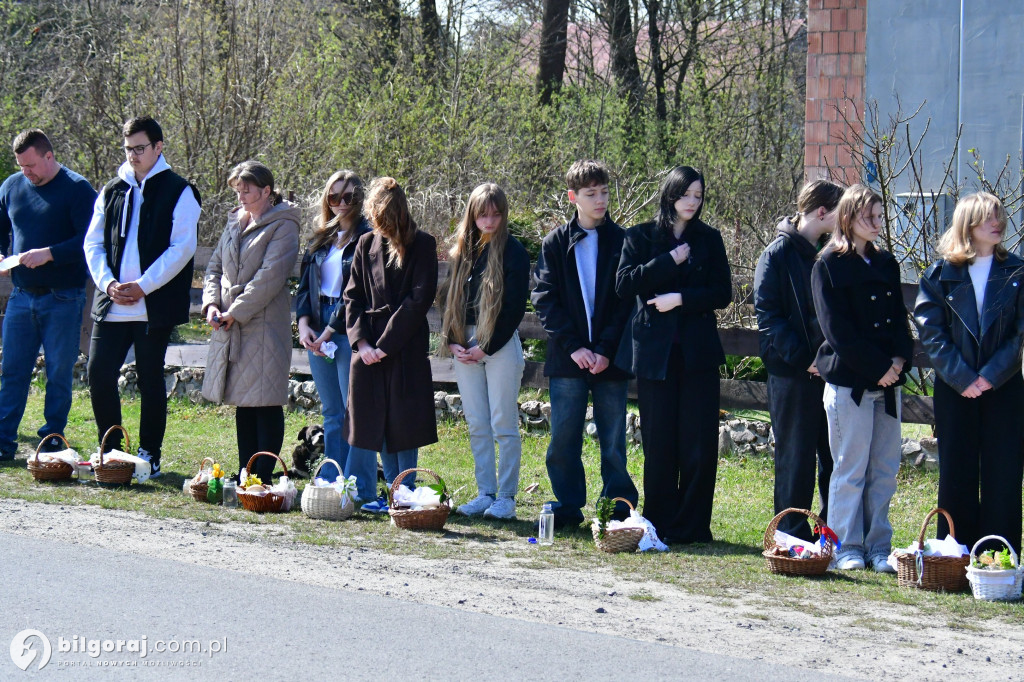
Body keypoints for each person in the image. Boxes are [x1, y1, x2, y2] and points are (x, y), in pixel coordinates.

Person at [616, 166, 732, 544]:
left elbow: (722, 292)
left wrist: (680, 299)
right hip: (656, 357)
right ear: (670, 194)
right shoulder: (641, 236)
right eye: (686, 195)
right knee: (660, 443)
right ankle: (661, 523)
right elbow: (624, 284)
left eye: (698, 196)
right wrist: (670, 261)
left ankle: (694, 526)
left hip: (697, 355)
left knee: (698, 444)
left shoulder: (709, 239)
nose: (692, 202)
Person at [84, 116, 201, 477]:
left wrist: (144, 285)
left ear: (158, 147)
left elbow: (182, 248)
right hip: (113, 301)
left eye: (140, 148)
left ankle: (150, 454)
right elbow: (93, 242)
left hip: (153, 304)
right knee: (99, 372)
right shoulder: (112, 189)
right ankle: (112, 450)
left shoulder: (180, 190)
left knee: (151, 379)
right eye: (128, 149)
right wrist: (108, 284)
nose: (133, 155)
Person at [914, 192, 1024, 556]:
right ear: (968, 224)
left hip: (1004, 387)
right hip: (955, 388)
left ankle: (998, 555)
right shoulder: (940, 274)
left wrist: (991, 375)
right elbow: (931, 331)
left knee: (1004, 473)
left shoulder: (1017, 271)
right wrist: (964, 378)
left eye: (1000, 216)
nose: (998, 223)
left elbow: (1018, 333)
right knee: (957, 473)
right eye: (988, 217)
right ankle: (956, 553)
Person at [811, 184, 913, 572]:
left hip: (888, 384)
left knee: (884, 470)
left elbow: (899, 320)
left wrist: (900, 360)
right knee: (849, 469)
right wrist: (878, 368)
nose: (876, 223)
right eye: (869, 216)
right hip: (850, 384)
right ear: (849, 218)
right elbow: (837, 331)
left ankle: (877, 546)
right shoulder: (827, 265)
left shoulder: (886, 263)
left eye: (879, 216)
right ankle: (844, 547)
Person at [532, 160, 638, 529]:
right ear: (573, 197)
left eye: (605, 192)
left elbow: (626, 302)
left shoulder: (624, 241)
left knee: (613, 440)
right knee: (563, 438)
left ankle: (617, 508)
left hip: (611, 359)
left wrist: (605, 350)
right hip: (568, 359)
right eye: (591, 194)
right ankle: (567, 504)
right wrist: (576, 347)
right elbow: (545, 299)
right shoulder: (555, 243)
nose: (600, 200)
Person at [753, 180, 843, 542]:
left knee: (834, 458)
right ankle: (790, 533)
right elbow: (769, 316)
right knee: (796, 457)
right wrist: (805, 360)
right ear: (822, 212)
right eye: (840, 212)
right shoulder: (775, 255)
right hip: (792, 374)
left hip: (830, 374)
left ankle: (830, 531)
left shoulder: (831, 254)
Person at [0, 129, 97, 460]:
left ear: (49, 156)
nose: (26, 172)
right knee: (12, 368)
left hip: (64, 297)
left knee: (57, 371)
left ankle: (52, 437)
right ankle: (3, 441)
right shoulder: (11, 187)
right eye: (21, 166)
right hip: (21, 296)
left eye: (31, 165)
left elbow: (89, 243)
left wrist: (50, 254)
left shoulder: (78, 190)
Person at [343, 177, 438, 512]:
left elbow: (418, 300)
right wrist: (363, 343)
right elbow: (351, 297)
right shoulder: (365, 242)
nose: (378, 226)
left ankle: (403, 493)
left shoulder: (422, 244)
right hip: (368, 350)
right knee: (372, 423)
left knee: (403, 423)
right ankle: (374, 493)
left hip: (403, 347)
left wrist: (385, 345)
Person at [201, 161, 299, 482]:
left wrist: (235, 311)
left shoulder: (283, 225)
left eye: (247, 189)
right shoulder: (234, 223)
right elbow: (214, 267)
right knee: (243, 402)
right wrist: (213, 304)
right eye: (237, 189)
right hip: (232, 324)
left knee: (266, 402)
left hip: (264, 327)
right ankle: (246, 475)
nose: (240, 195)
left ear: (266, 191)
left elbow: (269, 278)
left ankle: (263, 476)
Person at [438, 183, 530, 520]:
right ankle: (484, 492)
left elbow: (514, 309)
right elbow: (448, 300)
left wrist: (484, 347)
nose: (489, 221)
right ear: (472, 215)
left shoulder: (514, 252)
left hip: (499, 343)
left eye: (495, 214)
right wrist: (452, 340)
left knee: (503, 423)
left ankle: (506, 497)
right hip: (464, 345)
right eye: (483, 214)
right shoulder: (463, 251)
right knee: (477, 423)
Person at [295, 171, 370, 482]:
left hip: (348, 325)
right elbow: (303, 287)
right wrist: (303, 325)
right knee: (331, 412)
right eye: (333, 197)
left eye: (348, 197)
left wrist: (329, 330)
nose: (341, 203)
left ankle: (356, 483)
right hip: (317, 321)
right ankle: (331, 478)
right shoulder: (321, 238)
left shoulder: (367, 237)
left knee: (355, 411)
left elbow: (358, 290)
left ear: (360, 199)